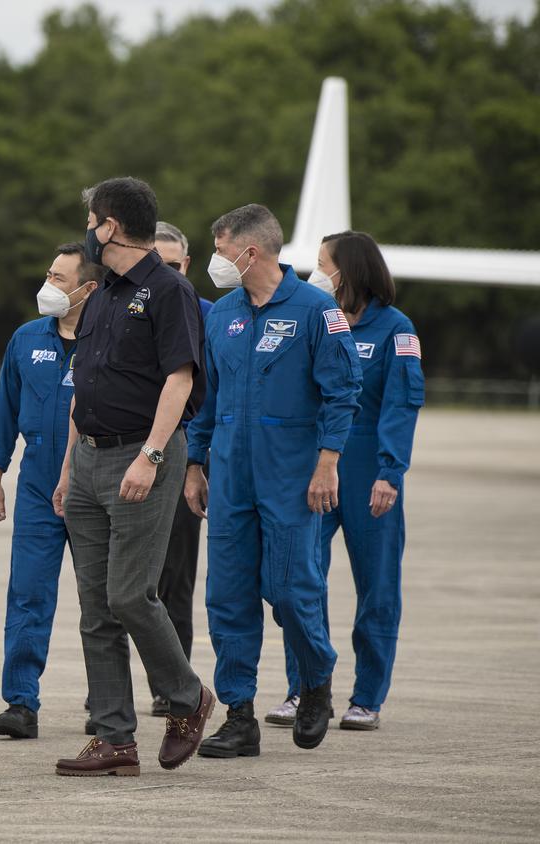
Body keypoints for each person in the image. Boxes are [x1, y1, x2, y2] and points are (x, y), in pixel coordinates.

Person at [184, 204, 362, 758]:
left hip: (292, 476)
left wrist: (327, 463)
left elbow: (342, 392)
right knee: (227, 597)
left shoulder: (316, 309)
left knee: (291, 589)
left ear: (250, 251)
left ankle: (315, 683)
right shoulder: (222, 315)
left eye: (219, 249)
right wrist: (195, 463)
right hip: (231, 474)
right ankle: (239, 716)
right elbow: (205, 398)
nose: (215, 260)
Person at [52, 177, 215, 778]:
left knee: (129, 594)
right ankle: (115, 738)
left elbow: (180, 379)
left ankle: (187, 697)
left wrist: (150, 456)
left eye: (94, 221)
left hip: (140, 458)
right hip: (90, 458)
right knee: (95, 607)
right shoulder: (99, 296)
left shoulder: (170, 290)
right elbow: (83, 389)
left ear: (110, 226)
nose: (90, 232)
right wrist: (71, 467)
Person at [264, 231, 422, 732]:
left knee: (377, 588)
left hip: (368, 469)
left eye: (322, 263)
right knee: (298, 581)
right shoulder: (319, 320)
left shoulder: (396, 330)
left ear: (349, 270)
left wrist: (390, 472)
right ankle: (305, 688)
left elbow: (402, 404)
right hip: (314, 469)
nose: (315, 272)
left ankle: (367, 697)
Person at [0, 242, 100, 739]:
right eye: (48, 275)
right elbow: (5, 408)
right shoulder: (27, 338)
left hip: (94, 482)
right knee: (28, 592)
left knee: (101, 601)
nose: (49, 286)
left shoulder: (109, 339)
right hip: (35, 482)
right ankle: (21, 701)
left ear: (88, 288)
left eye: (60, 279)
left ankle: (106, 702)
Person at [147, 221, 212, 718]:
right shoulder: (126, 312)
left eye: (174, 266)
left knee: (176, 583)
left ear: (186, 266)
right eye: (158, 264)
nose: (167, 274)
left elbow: (210, 397)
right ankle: (107, 687)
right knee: (118, 587)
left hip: (182, 461)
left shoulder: (210, 317)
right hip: (123, 457)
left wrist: (195, 462)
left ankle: (175, 687)